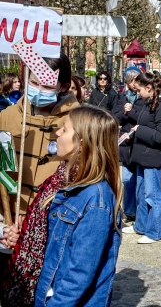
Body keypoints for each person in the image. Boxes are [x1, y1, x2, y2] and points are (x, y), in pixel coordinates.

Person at [2, 105, 121, 306]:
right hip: (43, 292)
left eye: (64, 130)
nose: (57, 132)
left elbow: (79, 274)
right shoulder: (59, 181)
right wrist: (23, 234)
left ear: (82, 144)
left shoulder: (96, 199)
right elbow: (49, 236)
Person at [0, 53, 79, 214]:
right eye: (34, 83)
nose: (39, 91)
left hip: (53, 215)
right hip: (12, 216)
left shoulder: (78, 120)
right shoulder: (7, 116)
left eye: (48, 87)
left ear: (63, 87)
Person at [122, 72, 161, 244]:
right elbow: (144, 123)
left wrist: (139, 131)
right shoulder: (149, 103)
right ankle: (141, 225)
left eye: (139, 90)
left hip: (153, 156)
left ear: (149, 88)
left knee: (153, 195)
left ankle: (155, 231)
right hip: (143, 154)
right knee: (141, 193)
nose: (137, 93)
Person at [112, 67, 144, 222]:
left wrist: (132, 112)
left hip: (139, 141)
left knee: (140, 179)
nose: (134, 83)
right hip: (125, 142)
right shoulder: (122, 96)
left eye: (137, 79)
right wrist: (125, 113)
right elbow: (115, 118)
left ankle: (140, 210)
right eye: (131, 80)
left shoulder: (144, 96)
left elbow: (145, 119)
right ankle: (130, 210)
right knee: (127, 179)